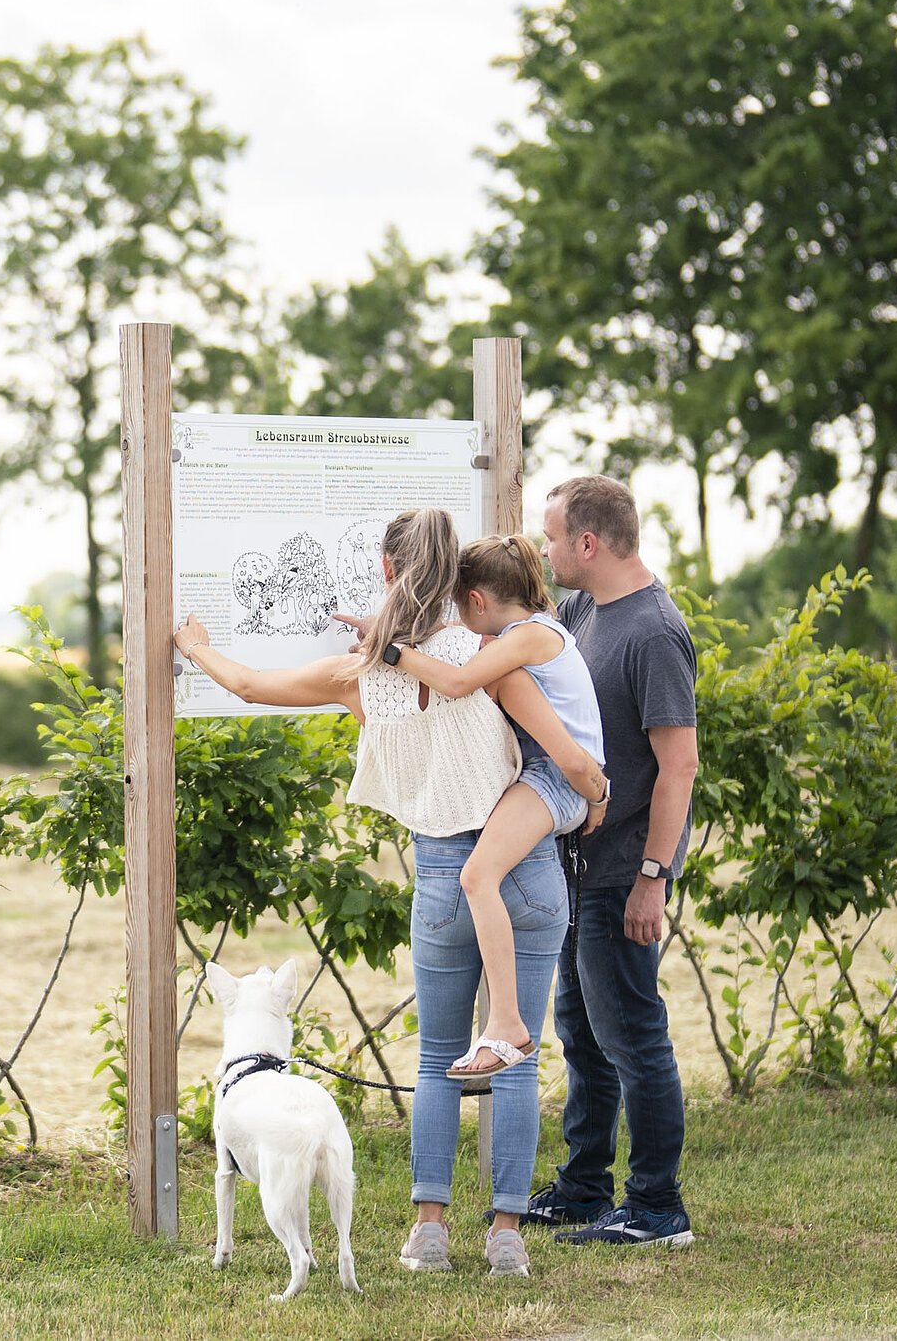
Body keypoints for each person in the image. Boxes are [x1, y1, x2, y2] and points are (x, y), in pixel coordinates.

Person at [172, 506, 583, 1277]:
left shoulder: (360, 672)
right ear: (456, 572)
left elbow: (251, 685)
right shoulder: (489, 655)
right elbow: (558, 744)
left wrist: (195, 645)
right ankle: (506, 1235)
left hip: (443, 877)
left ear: (388, 569)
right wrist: (592, 793)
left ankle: (429, 1229)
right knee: (518, 1059)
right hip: (524, 866)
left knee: (437, 1060)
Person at [522, 475, 700, 1249]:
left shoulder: (654, 631)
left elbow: (679, 765)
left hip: (625, 870)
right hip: (577, 866)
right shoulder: (582, 610)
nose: (546, 549)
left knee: (632, 1034)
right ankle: (585, 1185)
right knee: (583, 1033)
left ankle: (657, 1206)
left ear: (588, 543)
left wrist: (653, 877)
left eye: (553, 536)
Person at [381, 533, 607, 1080]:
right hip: (555, 776)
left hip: (558, 778)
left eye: (459, 604)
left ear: (477, 600)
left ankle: (507, 1023)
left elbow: (459, 681)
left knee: (477, 875)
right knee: (480, 876)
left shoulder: (528, 638)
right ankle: (506, 1023)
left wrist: (392, 651)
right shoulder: (533, 629)